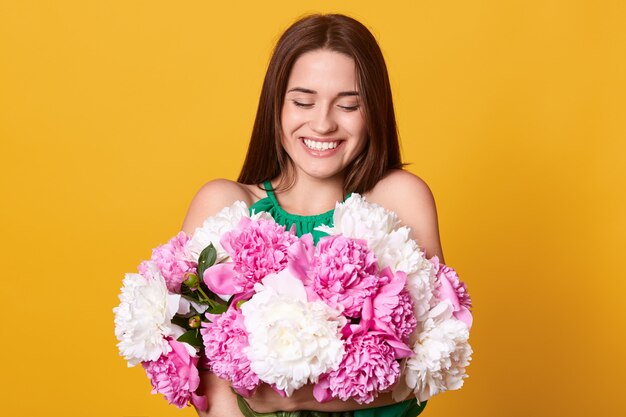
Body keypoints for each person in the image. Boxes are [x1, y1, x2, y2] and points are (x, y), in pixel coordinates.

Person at [181, 13, 444, 417]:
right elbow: (208, 388)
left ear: (373, 110)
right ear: (276, 105)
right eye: (303, 101)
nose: (322, 123)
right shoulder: (226, 206)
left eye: (349, 105)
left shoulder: (399, 201)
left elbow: (428, 366)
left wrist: (289, 397)